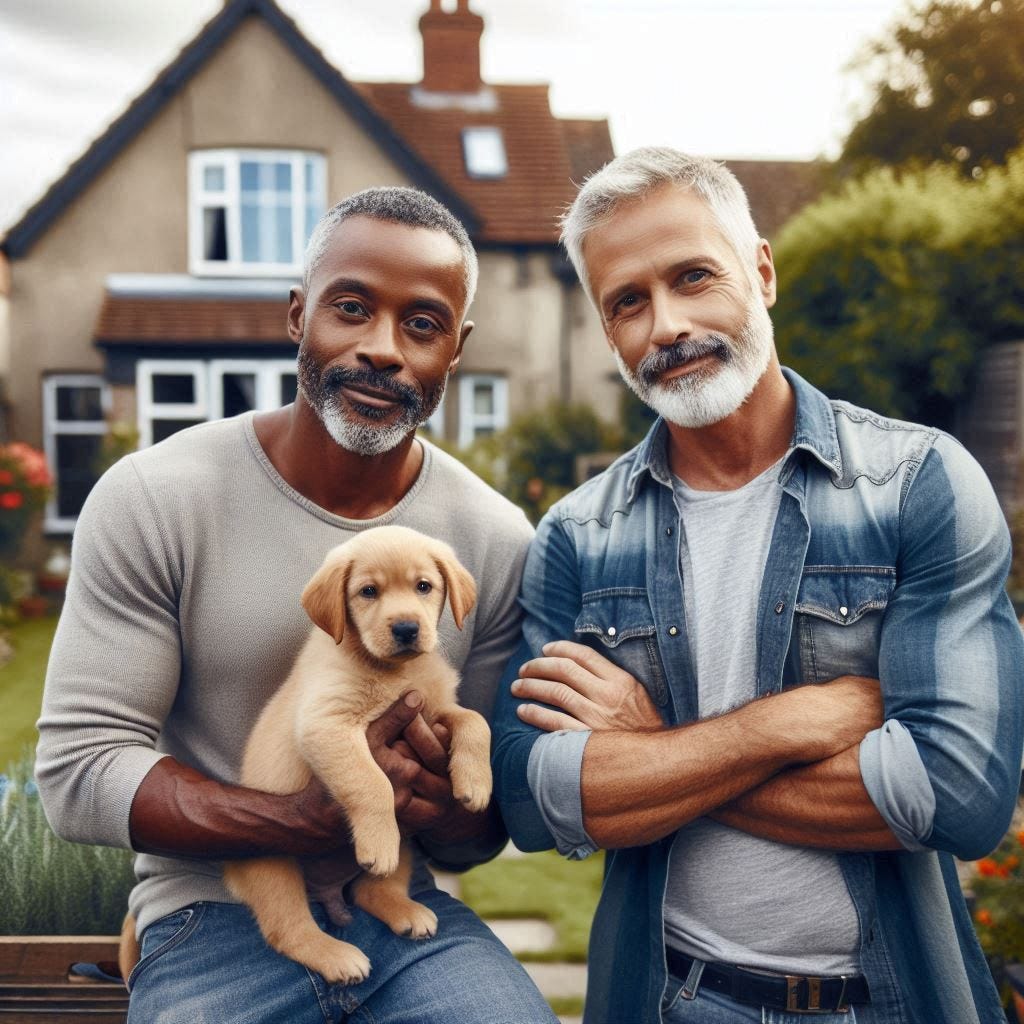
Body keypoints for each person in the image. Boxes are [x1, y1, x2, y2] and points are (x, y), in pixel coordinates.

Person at [490, 148, 1024, 1024]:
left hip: (884, 1003)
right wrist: (784, 726)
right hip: (670, 998)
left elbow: (956, 796)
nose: (665, 324)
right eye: (628, 301)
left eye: (694, 276)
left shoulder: (916, 485)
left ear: (762, 272)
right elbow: (533, 798)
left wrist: (653, 751)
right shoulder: (579, 535)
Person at [36, 186, 557, 1024]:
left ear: (455, 351)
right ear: (296, 316)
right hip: (211, 910)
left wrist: (439, 798)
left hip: (395, 901)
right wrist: (299, 818)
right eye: (350, 308)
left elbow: (477, 829)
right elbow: (78, 771)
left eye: (421, 325)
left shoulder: (490, 539)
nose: (382, 349)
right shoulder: (156, 497)